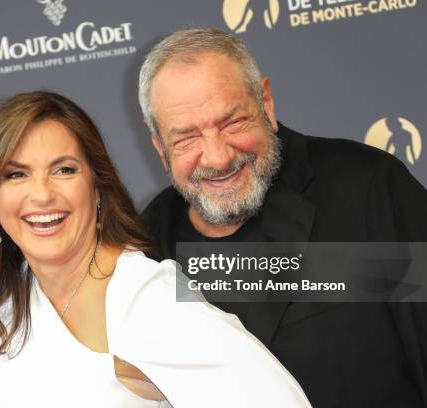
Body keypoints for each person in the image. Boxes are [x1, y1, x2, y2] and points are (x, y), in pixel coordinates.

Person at [0, 91, 311, 407]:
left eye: (63, 170)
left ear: (96, 188)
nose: (43, 194)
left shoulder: (143, 297)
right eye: (16, 175)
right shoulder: (0, 311)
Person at [139, 28, 427, 407]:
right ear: (161, 147)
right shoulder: (147, 248)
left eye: (232, 123)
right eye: (186, 138)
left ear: (267, 103)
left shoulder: (368, 186)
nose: (218, 158)